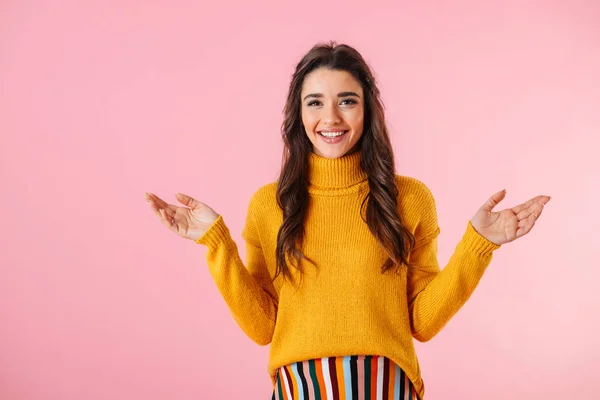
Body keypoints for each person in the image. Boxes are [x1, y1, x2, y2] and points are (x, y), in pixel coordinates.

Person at [144, 42, 550, 400]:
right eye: (315, 102)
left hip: (386, 387)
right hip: (299, 388)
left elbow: (422, 322)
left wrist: (478, 244)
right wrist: (216, 244)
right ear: (298, 113)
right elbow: (262, 326)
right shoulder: (270, 205)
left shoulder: (409, 198)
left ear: (367, 108)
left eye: (347, 100)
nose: (331, 117)